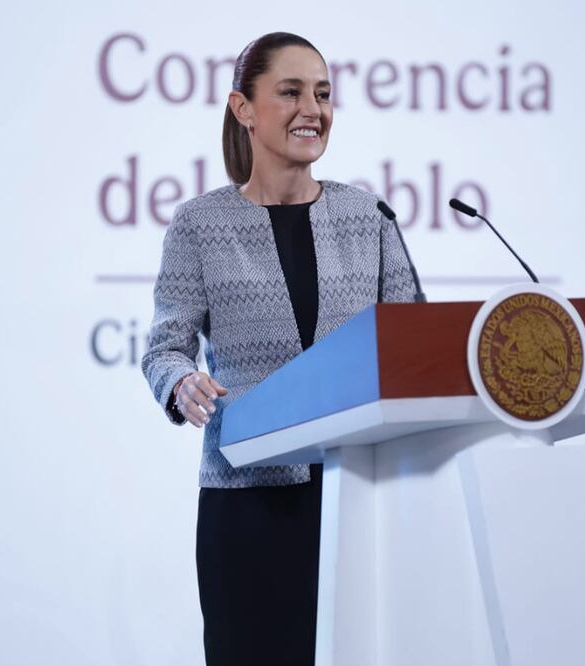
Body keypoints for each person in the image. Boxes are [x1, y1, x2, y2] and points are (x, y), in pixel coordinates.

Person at [141, 32, 424, 666]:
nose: (312, 110)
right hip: (247, 504)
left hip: (358, 497)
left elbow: (414, 344)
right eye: (291, 92)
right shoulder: (199, 224)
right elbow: (164, 348)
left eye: (322, 94)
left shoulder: (370, 217)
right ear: (243, 108)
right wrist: (181, 382)